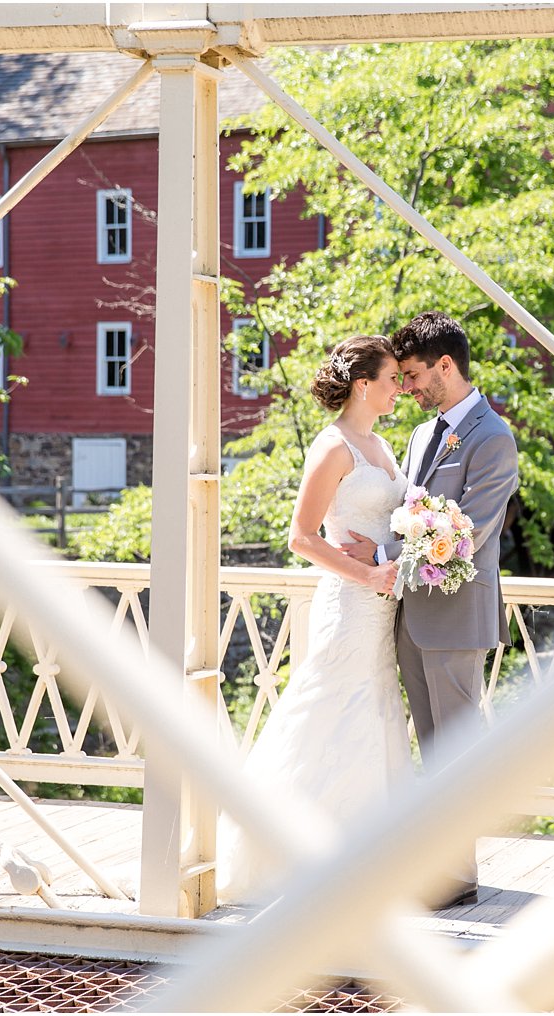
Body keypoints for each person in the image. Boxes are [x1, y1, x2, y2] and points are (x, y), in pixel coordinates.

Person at [215, 335, 407, 905]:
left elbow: (388, 526)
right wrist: (368, 577)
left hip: (381, 606)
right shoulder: (335, 446)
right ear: (363, 384)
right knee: (326, 713)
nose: (401, 387)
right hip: (349, 605)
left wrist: (399, 557)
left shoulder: (382, 447)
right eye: (393, 377)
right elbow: (301, 537)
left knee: (373, 717)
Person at [342, 311, 521, 910]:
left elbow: (468, 532)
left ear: (447, 365)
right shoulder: (422, 436)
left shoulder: (493, 438)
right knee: (428, 741)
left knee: (457, 746)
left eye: (416, 374)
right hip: (408, 615)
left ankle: (457, 876)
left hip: (456, 616)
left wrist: (383, 553)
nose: (409, 387)